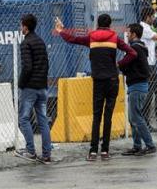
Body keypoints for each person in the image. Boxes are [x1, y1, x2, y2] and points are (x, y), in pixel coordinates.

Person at [56, 13, 137, 161]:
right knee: (108, 116)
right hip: (112, 79)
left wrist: (61, 30)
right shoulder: (114, 38)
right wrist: (119, 64)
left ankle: (93, 151)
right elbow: (132, 53)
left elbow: (73, 39)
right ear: (110, 24)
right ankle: (105, 151)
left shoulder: (91, 38)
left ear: (98, 24)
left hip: (98, 80)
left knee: (96, 116)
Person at [14, 14, 51, 163]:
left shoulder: (26, 43)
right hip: (42, 87)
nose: (20, 28)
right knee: (43, 120)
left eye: (21, 25)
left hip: (30, 87)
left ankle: (30, 151)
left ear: (25, 27)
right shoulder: (40, 41)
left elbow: (27, 67)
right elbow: (46, 64)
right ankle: (47, 154)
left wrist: (21, 83)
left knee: (23, 119)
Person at [119, 23, 155, 156]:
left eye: (128, 32)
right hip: (137, 86)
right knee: (133, 118)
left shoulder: (134, 49)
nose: (127, 35)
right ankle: (137, 146)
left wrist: (121, 66)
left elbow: (125, 65)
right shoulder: (139, 47)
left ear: (134, 34)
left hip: (137, 86)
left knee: (137, 118)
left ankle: (150, 145)